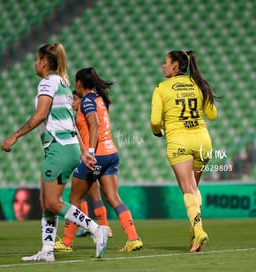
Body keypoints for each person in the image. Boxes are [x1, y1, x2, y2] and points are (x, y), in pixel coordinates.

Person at [1, 43, 108, 262]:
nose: (34, 63)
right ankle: (47, 251)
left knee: (52, 202)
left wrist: (15, 136)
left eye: (36, 59)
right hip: (65, 146)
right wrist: (82, 151)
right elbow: (71, 121)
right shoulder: (64, 84)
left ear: (44, 62)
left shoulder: (47, 83)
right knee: (45, 200)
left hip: (58, 147)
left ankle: (97, 229)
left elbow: (40, 115)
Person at [55, 68, 143, 252]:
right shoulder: (99, 99)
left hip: (97, 156)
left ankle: (66, 242)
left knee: (74, 197)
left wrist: (91, 152)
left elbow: (94, 124)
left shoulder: (87, 100)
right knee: (113, 198)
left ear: (79, 83)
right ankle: (133, 238)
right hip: (111, 153)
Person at [150, 50, 218, 252]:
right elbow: (212, 115)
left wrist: (157, 132)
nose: (163, 65)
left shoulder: (161, 88)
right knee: (194, 190)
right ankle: (194, 236)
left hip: (179, 141)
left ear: (174, 66)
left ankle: (199, 231)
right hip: (203, 142)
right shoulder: (199, 84)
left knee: (188, 189)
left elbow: (155, 122)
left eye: (165, 62)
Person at [71, 91, 112, 239]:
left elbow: (93, 129)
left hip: (90, 157)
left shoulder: (83, 117)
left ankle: (102, 226)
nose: (72, 103)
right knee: (84, 195)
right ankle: (89, 225)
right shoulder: (79, 117)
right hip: (87, 156)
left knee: (90, 194)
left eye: (75, 99)